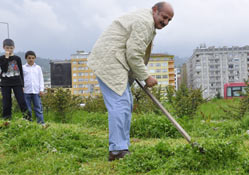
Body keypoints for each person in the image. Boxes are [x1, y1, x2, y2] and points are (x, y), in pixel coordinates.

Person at [87, 1, 174, 161]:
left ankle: (121, 147)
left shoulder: (147, 20)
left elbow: (132, 52)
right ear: (155, 10)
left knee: (126, 103)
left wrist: (138, 74)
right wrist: (146, 76)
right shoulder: (145, 22)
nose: (165, 22)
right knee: (120, 104)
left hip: (117, 61)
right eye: (164, 17)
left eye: (169, 20)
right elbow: (133, 54)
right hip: (110, 61)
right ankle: (117, 150)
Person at [0, 39, 31, 120]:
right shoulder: (1, 58)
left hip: (17, 82)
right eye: (7, 48)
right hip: (5, 83)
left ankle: (27, 118)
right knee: (6, 102)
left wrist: (22, 85)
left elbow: (20, 72)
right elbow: (4, 69)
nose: (9, 50)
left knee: (21, 101)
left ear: (14, 47)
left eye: (11, 48)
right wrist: (6, 58)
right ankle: (6, 119)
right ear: (3, 47)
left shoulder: (17, 58)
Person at [23, 51, 45, 124]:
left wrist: (41, 89)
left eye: (32, 58)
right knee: (27, 109)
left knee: (38, 108)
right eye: (29, 58)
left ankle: (41, 123)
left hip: (36, 91)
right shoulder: (23, 68)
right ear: (26, 58)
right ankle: (28, 123)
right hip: (26, 91)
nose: (31, 59)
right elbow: (21, 79)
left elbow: (41, 79)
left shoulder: (38, 68)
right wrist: (22, 87)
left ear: (35, 58)